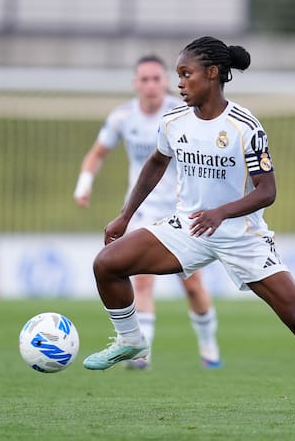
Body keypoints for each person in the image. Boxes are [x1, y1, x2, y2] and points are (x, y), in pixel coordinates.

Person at [81, 36, 295, 416]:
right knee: (106, 263)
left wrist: (222, 213)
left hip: (243, 237)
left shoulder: (245, 126)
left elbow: (268, 191)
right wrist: (125, 215)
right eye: (177, 75)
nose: (179, 84)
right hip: (188, 228)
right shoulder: (173, 120)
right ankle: (132, 340)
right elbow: (157, 163)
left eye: (185, 74)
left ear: (211, 74)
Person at [73, 54, 222, 369]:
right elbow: (97, 153)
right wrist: (84, 184)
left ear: (165, 82)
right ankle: (142, 355)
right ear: (135, 84)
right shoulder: (122, 117)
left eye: (156, 78)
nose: (151, 85)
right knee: (140, 280)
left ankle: (209, 348)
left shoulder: (184, 113)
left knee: (193, 285)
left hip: (183, 210)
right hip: (142, 209)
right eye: (144, 79)